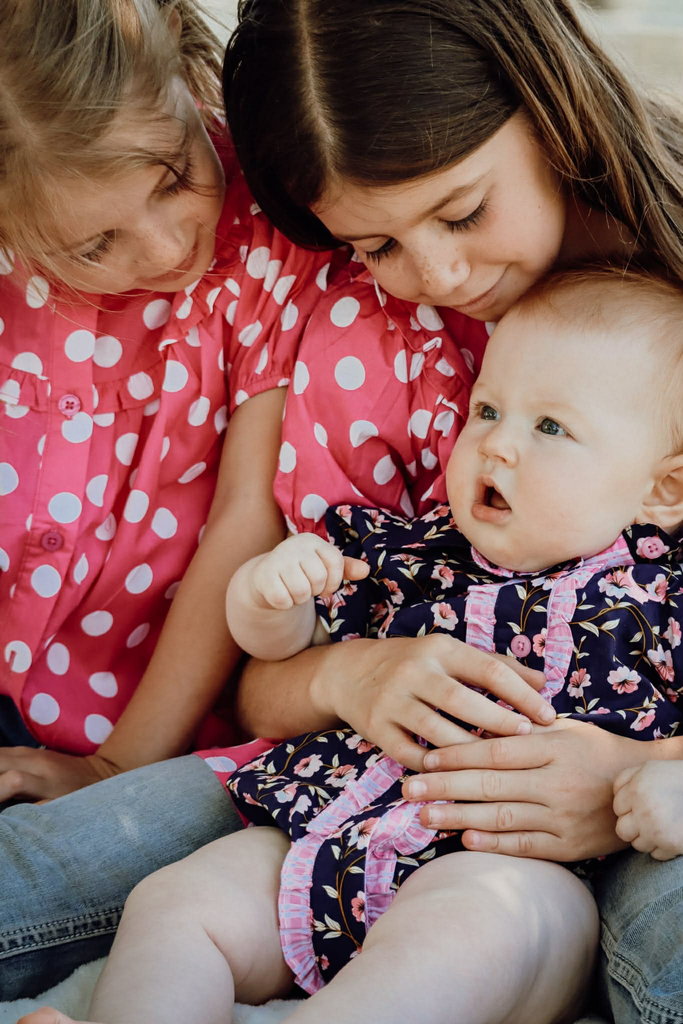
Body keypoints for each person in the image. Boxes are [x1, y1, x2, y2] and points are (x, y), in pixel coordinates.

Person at [2, 1, 682, 1017]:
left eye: (461, 211)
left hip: (620, 814)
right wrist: (353, 668)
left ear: (548, 106)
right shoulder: (365, 329)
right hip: (339, 775)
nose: (441, 276)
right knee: (88, 878)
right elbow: (268, 678)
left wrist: (639, 773)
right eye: (374, 243)